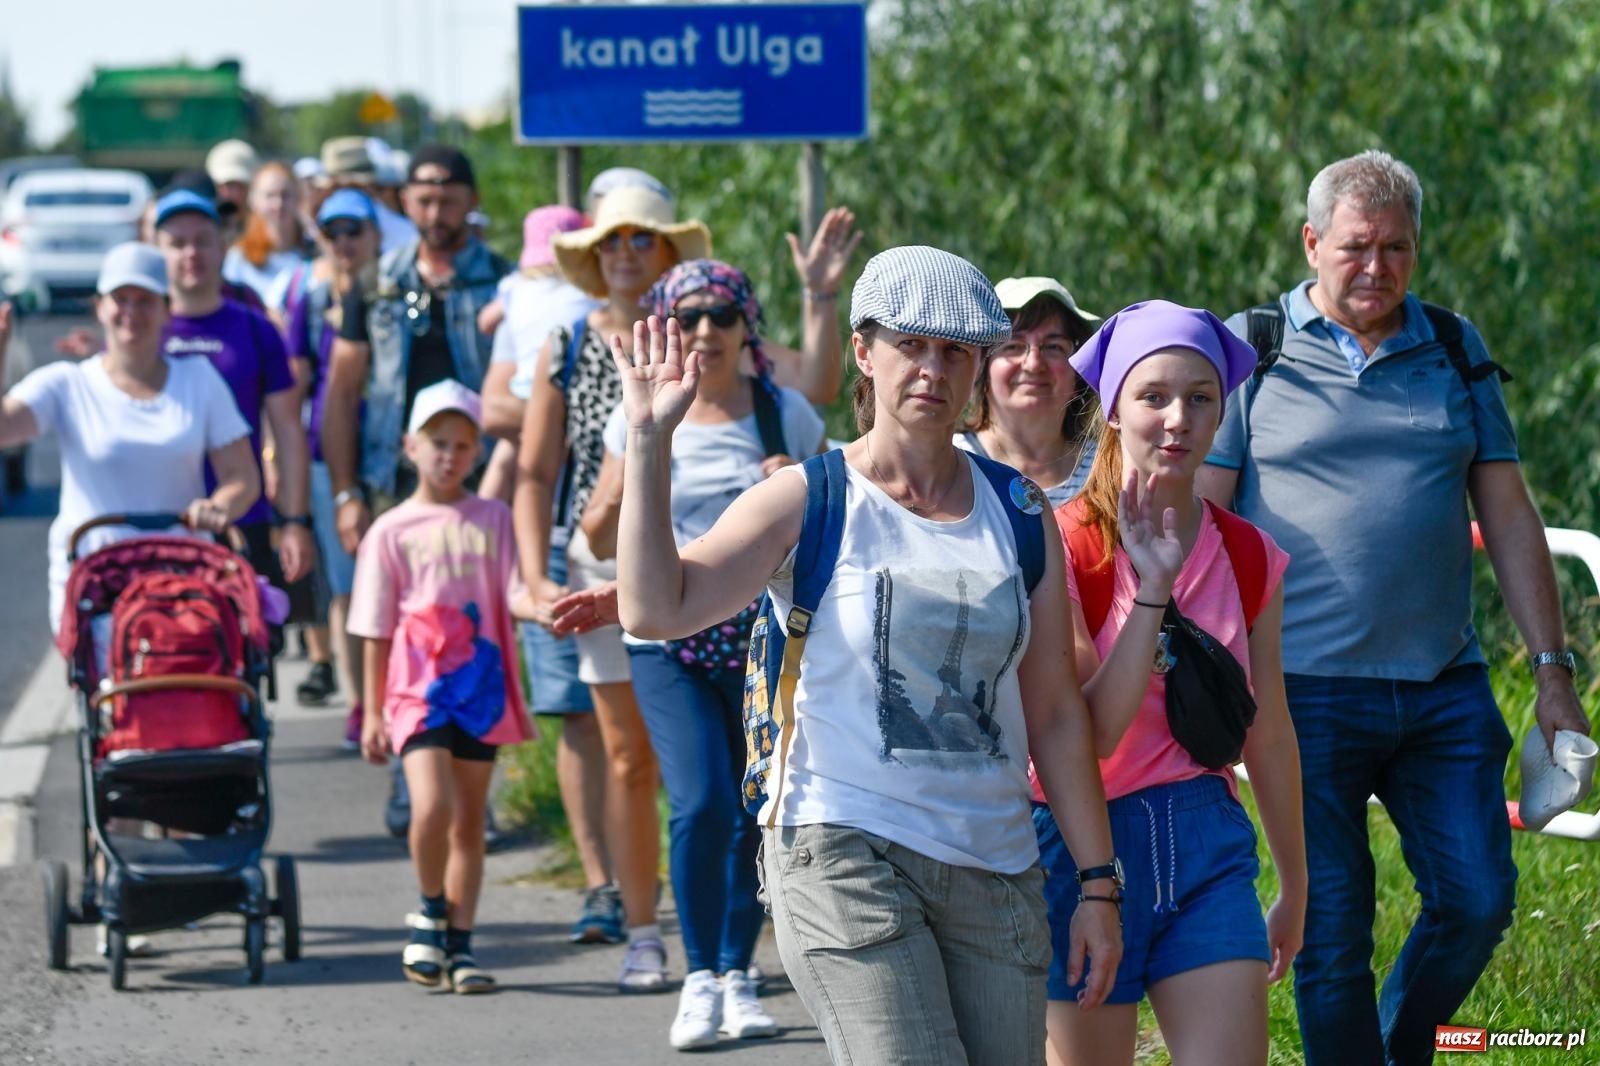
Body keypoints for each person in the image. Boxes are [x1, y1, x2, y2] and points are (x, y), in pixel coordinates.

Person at [607, 246, 1122, 1062]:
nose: (933, 369)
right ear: (863, 351)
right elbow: (655, 607)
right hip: (843, 849)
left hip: (995, 864)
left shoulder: (1021, 513)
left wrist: (1097, 883)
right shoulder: (810, 497)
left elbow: (1055, 711)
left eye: (954, 350)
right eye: (909, 345)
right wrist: (647, 439)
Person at [1195, 149, 1591, 1066]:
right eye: (1355, 247)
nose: (1376, 267)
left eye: (1397, 248)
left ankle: (1396, 1046)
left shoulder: (1454, 345)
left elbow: (1511, 515)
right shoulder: (1251, 348)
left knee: (1479, 900)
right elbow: (1203, 520)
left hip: (1442, 686)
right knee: (1331, 935)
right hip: (1300, 695)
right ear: (1311, 243)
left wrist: (1553, 673)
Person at [1041, 300, 1306, 1066]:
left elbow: (1269, 730)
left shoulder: (1250, 555)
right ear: (1113, 408)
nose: (1178, 419)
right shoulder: (1062, 545)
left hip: (1206, 842)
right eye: (1152, 396)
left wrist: (1295, 884)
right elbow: (1093, 734)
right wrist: (1150, 593)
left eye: (1200, 397)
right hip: (1082, 847)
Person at [574, 259, 825, 1048]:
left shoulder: (786, 415)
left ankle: (738, 973)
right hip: (668, 642)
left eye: (723, 315)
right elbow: (594, 536)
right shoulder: (646, 413)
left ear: (748, 326)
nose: (707, 330)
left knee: (756, 804)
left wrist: (795, 483)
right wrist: (636, 468)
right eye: (687, 318)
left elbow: (830, 524)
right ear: (666, 329)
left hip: (761, 641)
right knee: (702, 800)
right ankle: (698, 977)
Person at [513, 183, 710, 992]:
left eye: (641, 238)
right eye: (611, 241)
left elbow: (800, 386)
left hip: (704, 557)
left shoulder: (707, 327)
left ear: (666, 250)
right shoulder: (565, 344)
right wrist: (534, 574)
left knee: (708, 761)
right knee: (626, 754)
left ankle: (720, 933)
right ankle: (638, 921)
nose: (625, 254)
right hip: (600, 563)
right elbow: (535, 471)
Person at [322, 143, 511, 834]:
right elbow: (342, 393)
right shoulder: (374, 282)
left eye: (448, 198)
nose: (436, 212)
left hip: (478, 479)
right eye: (423, 199)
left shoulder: (502, 280)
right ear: (405, 201)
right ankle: (411, 768)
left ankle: (473, 789)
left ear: (470, 201)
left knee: (475, 631)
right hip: (391, 481)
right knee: (402, 628)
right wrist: (346, 492)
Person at [348, 379, 534, 995]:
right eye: (437, 443)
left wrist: (546, 606)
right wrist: (372, 710)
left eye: (461, 445)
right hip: (416, 692)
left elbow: (515, 590)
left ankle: (460, 946)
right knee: (431, 806)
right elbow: (374, 627)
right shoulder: (390, 530)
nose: (449, 456)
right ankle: (431, 908)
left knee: (469, 822)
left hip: (481, 687)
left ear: (476, 452)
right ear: (410, 446)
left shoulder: (494, 519)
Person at [0, 244, 260, 633]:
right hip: (94, 583)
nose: (131, 312)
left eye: (145, 301)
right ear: (100, 307)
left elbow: (242, 477)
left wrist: (219, 506)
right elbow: (5, 429)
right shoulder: (68, 384)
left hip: (181, 579)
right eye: (120, 299)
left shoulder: (199, 378)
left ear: (167, 309)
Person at [153, 190, 316, 629]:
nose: (191, 254)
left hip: (242, 523)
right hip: (157, 527)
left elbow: (288, 429)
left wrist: (295, 521)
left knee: (243, 653)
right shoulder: (143, 330)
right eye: (177, 243)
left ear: (224, 247)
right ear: (157, 251)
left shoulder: (255, 329)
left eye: (202, 241)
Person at [283, 188, 383, 724]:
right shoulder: (312, 299)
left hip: (388, 454)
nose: (344, 242)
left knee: (392, 583)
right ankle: (361, 704)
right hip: (326, 454)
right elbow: (293, 386)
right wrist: (278, 456)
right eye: (333, 232)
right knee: (347, 585)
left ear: (375, 235)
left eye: (354, 231)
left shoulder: (394, 293)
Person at [957, 277, 1100, 506]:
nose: (1033, 364)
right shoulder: (949, 462)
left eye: (1053, 347)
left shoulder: (1109, 467)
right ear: (981, 368)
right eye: (1013, 346)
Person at [224, 161, 312, 310]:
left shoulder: (313, 254)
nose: (279, 204)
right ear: (254, 201)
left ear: (298, 198)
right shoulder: (239, 258)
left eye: (285, 195)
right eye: (270, 195)